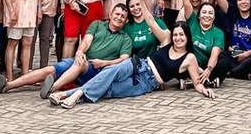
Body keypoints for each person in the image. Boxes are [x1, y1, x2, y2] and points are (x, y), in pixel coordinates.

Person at [49, 11, 215, 107]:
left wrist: (205, 90)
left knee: (110, 90)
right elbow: (150, 20)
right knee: (110, 72)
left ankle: (65, 94)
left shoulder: (190, 58)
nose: (178, 38)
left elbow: (197, 83)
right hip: (138, 64)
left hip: (146, 82)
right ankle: (75, 95)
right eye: (176, 35)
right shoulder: (167, 41)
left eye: (182, 35)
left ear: (187, 37)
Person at [0, 3, 131, 97]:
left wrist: (103, 63)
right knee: (50, 69)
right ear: (111, 13)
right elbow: (86, 41)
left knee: (80, 64)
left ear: (126, 21)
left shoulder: (125, 38)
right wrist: (79, 52)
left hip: (98, 70)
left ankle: (51, 89)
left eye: (122, 17)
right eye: (117, 14)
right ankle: (9, 85)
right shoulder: (97, 25)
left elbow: (124, 60)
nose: (119, 18)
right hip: (82, 60)